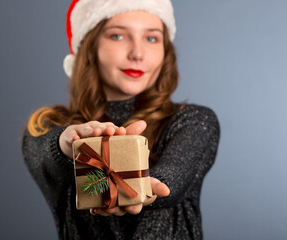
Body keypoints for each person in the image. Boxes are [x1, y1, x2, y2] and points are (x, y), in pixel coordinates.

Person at [22, 0, 220, 239]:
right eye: (117, 36)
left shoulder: (193, 121)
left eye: (151, 38)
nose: (137, 53)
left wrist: (142, 188)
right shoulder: (47, 125)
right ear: (89, 46)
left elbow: (173, 177)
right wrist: (67, 144)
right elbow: (45, 154)